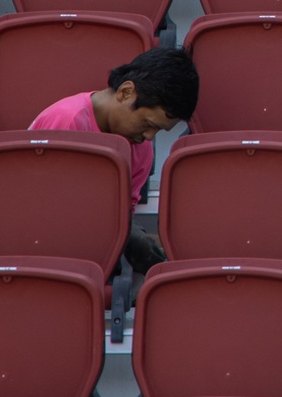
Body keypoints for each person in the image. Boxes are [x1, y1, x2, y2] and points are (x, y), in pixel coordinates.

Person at [30, 48, 200, 274]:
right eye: (148, 124)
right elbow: (41, 207)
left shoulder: (141, 149)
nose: (149, 136)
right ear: (126, 92)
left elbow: (122, 215)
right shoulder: (67, 120)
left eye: (158, 130)